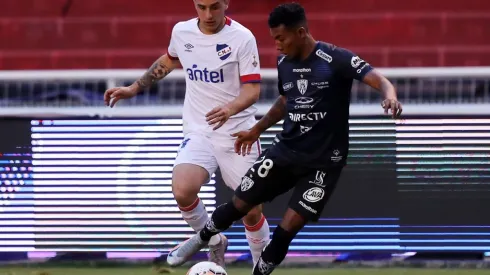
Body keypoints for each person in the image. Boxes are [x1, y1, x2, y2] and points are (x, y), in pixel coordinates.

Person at [166, 2, 403, 274]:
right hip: (286, 152)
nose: (277, 46)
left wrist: (391, 98)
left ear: (300, 32)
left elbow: (380, 80)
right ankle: (202, 238)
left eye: (281, 38)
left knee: (284, 233)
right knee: (240, 203)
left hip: (323, 164)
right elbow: (285, 100)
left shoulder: (335, 59)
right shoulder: (284, 62)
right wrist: (257, 130)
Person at [103, 0, 271, 268]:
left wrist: (230, 109)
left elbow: (253, 91)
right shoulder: (182, 32)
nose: (208, 14)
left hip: (238, 134)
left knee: (251, 210)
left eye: (214, 7)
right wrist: (134, 88)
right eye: (201, 7)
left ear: (226, 4)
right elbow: (169, 60)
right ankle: (214, 241)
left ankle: (259, 268)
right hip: (199, 129)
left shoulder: (242, 38)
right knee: (183, 190)